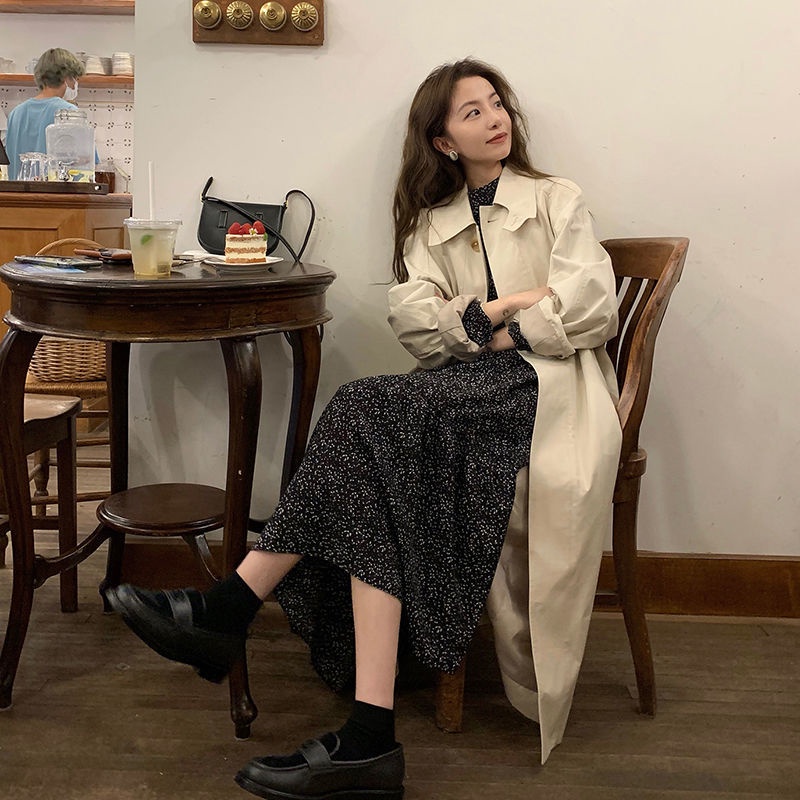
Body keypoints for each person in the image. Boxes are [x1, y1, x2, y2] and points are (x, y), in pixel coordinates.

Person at [105, 57, 622, 798]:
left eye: (496, 103)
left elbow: (591, 307)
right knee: (368, 440)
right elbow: (418, 328)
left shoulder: (555, 199)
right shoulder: (431, 224)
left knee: (360, 409)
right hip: (463, 392)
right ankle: (367, 735)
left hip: (547, 390)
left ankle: (231, 610)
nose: (494, 118)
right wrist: (511, 305)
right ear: (442, 141)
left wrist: (485, 328)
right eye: (472, 112)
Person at [4, 48, 84, 180]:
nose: (76, 84)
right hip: (54, 192)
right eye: (75, 78)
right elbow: (86, 163)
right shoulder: (69, 113)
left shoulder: (15, 114)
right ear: (66, 77)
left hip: (18, 192)